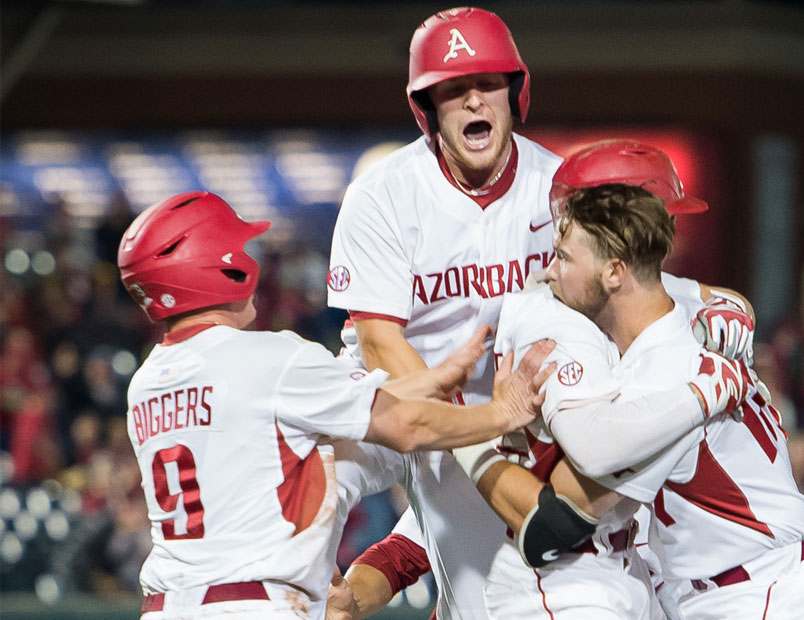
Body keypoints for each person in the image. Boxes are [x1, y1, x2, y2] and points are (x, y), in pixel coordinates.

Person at [326, 8, 755, 619]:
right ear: (428, 107)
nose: (473, 98)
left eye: (488, 82)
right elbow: (378, 344)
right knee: (310, 476)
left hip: (520, 400)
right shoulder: (383, 192)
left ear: (514, 91)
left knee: (495, 583)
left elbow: (629, 274)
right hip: (400, 392)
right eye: (452, 88)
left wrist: (721, 298)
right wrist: (466, 434)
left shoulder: (555, 184)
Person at [459, 142, 804, 619]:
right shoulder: (683, 314)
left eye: (564, 256)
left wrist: (465, 430)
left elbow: (556, 524)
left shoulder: (660, 372)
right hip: (751, 587)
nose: (548, 271)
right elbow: (711, 297)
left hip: (759, 595)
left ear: (614, 268)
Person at [117, 191, 555, 620]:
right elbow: (406, 426)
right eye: (235, 247)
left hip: (166, 605)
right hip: (255, 603)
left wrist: (432, 379)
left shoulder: (146, 383)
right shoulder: (273, 359)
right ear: (215, 265)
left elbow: (330, 402)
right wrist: (501, 412)